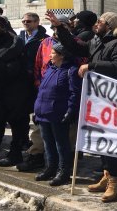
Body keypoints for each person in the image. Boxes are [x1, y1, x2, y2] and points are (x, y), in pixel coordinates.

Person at [46, 10, 117, 203]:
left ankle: (115, 180)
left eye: (101, 21)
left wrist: (91, 66)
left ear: (109, 25)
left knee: (112, 142)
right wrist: (60, 28)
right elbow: (75, 48)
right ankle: (107, 175)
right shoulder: (96, 40)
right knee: (102, 141)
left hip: (114, 101)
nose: (97, 23)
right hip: (98, 99)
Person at [18, 15, 72, 173]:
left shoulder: (72, 43)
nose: (56, 30)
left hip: (62, 93)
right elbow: (38, 64)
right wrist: (38, 82)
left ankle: (64, 167)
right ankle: (41, 159)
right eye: (54, 27)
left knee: (62, 135)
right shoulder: (46, 42)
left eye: (60, 26)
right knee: (40, 129)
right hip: (43, 90)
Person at [33, 43, 81, 186]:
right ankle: (50, 168)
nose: (50, 55)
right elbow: (42, 90)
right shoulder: (49, 69)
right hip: (43, 113)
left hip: (58, 114)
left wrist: (71, 111)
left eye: (53, 53)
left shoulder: (71, 71)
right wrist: (37, 111)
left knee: (61, 144)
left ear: (62, 55)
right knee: (48, 144)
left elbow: (74, 93)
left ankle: (63, 172)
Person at [0, 15, 31, 166]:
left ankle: (15, 154)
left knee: (17, 125)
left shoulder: (14, 41)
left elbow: (11, 69)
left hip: (14, 93)